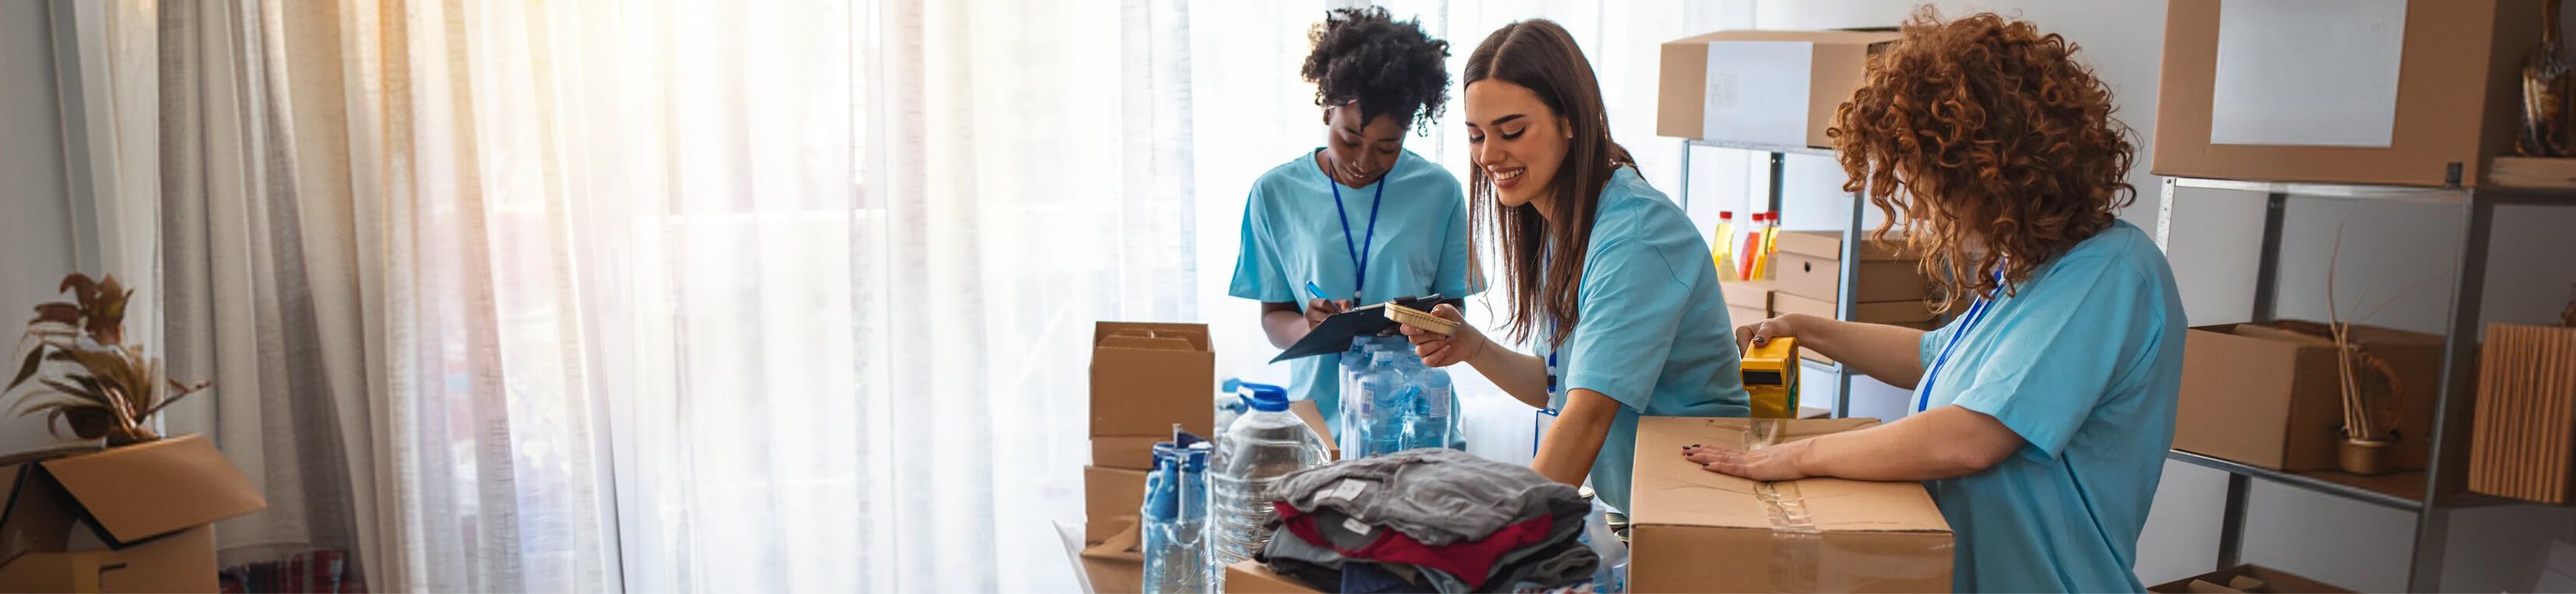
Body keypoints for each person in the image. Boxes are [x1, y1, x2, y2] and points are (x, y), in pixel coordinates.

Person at [1681, 11, 2186, 592]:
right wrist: (1806, 328)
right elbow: (1934, 355)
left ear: (1989, 169)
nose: (1919, 208)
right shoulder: (2033, 266)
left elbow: (1972, 436)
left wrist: (1797, 456)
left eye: (1926, 182)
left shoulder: (2109, 275)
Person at [1397, 18, 1748, 515]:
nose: (1489, 155)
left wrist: (1498, 536)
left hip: (1700, 512)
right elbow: (1556, 382)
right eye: (1476, 136)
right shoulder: (1560, 226)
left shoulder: (1635, 236)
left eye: (1512, 131)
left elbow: (1586, 417)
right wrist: (1471, 347)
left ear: (1570, 121)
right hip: (1646, 509)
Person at [1230, 7, 1473, 435]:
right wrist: (1307, 327)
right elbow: (1274, 317)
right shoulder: (1274, 193)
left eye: (1387, 147)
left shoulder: (1441, 192)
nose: (1364, 161)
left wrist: (1429, 327)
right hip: (1318, 430)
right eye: (1349, 139)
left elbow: (1456, 310)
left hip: (1419, 424)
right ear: (1328, 110)